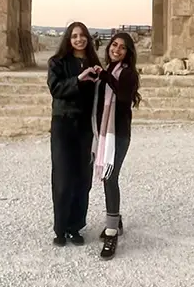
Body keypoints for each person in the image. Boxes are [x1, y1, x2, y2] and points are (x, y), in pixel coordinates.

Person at [47, 21, 101, 246]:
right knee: (62, 178)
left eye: (83, 35)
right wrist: (78, 80)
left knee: (82, 179)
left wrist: (100, 77)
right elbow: (56, 89)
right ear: (68, 39)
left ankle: (75, 226)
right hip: (63, 125)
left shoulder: (92, 62)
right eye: (74, 36)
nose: (79, 39)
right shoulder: (57, 62)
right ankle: (60, 229)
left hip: (85, 127)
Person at [91, 30, 141, 260]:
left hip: (118, 134)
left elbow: (122, 97)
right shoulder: (109, 70)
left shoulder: (129, 74)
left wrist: (105, 77)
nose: (116, 49)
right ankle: (116, 219)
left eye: (122, 47)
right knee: (106, 176)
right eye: (114, 45)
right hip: (104, 133)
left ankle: (112, 231)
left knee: (110, 176)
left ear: (127, 52)